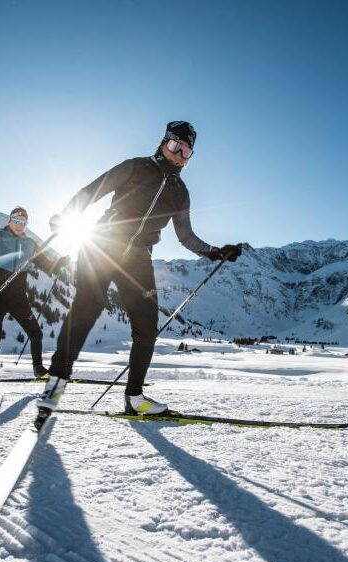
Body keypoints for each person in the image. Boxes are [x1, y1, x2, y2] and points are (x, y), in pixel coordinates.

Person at [37, 121, 242, 420]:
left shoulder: (181, 192)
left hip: (138, 258)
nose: (179, 155)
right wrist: (66, 215)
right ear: (163, 143)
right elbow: (93, 191)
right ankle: (55, 384)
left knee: (146, 326)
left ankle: (134, 397)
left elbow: (185, 236)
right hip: (102, 245)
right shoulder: (135, 167)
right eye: (175, 146)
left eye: (186, 152)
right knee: (87, 308)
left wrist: (214, 252)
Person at [0, 206, 68, 394]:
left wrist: (60, 263)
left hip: (18, 298)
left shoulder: (30, 244)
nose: (20, 225)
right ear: (9, 221)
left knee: (36, 333)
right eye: (17, 220)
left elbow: (45, 263)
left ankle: (38, 370)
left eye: (23, 222)